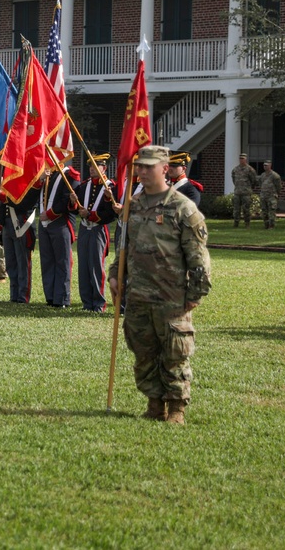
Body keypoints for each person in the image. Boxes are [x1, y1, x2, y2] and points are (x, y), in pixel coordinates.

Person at [108, 145, 211, 425]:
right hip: (139, 294)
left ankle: (176, 407)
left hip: (172, 296)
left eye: (148, 166)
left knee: (174, 353)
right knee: (144, 352)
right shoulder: (135, 205)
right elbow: (124, 246)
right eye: (139, 166)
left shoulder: (183, 208)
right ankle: (154, 404)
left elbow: (198, 257)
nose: (141, 171)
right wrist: (116, 274)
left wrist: (195, 293)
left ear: (165, 168)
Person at [74, 154, 117, 312]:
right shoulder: (84, 186)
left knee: (96, 266)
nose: (92, 169)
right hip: (84, 229)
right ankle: (86, 302)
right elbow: (75, 208)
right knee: (84, 266)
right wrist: (73, 202)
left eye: (95, 166)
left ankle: (98, 303)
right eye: (90, 166)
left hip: (98, 229)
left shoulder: (110, 187)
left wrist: (91, 215)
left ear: (103, 168)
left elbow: (110, 214)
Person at [37, 159, 80, 308]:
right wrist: (40, 180)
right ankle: (50, 296)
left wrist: (50, 214)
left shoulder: (70, 175)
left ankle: (61, 298)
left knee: (63, 261)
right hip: (44, 223)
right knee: (47, 260)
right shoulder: (46, 175)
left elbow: (67, 201)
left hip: (60, 222)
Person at [0, 182, 40, 303]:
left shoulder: (29, 183)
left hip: (21, 223)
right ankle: (14, 295)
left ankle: (23, 296)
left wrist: (5, 199)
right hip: (7, 224)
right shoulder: (8, 181)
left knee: (22, 262)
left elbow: (25, 204)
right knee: (11, 262)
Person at [231, 152, 257, 227]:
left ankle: (247, 223)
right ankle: (236, 223)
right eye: (240, 158)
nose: (241, 160)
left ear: (246, 159)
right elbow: (234, 180)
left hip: (246, 193)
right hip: (237, 192)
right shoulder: (235, 170)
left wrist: (249, 188)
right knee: (236, 210)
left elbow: (254, 180)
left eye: (243, 158)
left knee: (246, 209)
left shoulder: (250, 170)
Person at [258, 160, 283, 229]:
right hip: (263, 196)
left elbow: (278, 186)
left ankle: (271, 225)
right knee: (264, 211)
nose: (265, 167)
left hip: (271, 196)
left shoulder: (275, 176)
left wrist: (276, 194)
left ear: (270, 166)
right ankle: (266, 225)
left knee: (271, 211)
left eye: (266, 165)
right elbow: (260, 184)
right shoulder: (262, 175)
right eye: (264, 165)